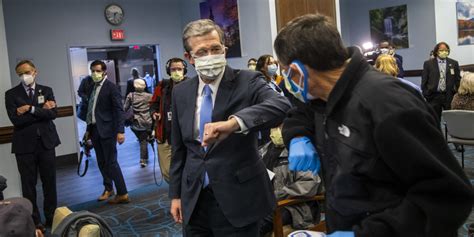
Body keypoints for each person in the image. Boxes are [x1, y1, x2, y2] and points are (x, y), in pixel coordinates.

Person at [274, 14, 473, 236]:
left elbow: (447, 196)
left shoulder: (388, 105)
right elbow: (301, 114)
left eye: (283, 70)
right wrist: (298, 136)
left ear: (296, 71)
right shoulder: (323, 96)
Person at [169, 19, 291, 236]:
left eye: (215, 49)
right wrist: (176, 195)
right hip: (195, 198)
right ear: (189, 58)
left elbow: (280, 105)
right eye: (202, 51)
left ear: (224, 49)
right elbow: (180, 150)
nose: (210, 56)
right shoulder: (181, 92)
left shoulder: (248, 80)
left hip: (239, 197)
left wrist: (235, 123)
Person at [4, 60, 60, 232]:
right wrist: (41, 110)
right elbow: (16, 121)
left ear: (35, 71)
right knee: (28, 185)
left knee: (49, 182)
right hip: (24, 146)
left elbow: (53, 114)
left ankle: (52, 217)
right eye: (20, 73)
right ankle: (35, 221)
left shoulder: (47, 90)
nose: (24, 76)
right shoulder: (11, 94)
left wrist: (30, 108)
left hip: (46, 143)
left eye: (27, 72)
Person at [258, 126, 321, 236]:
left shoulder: (300, 151)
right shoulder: (263, 150)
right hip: (264, 204)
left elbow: (308, 184)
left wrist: (276, 195)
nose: (276, 130)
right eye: (274, 127)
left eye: (280, 126)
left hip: (294, 207)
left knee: (257, 224)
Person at [85, 60, 129, 204]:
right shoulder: (92, 86)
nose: (95, 73)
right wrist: (87, 130)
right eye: (93, 71)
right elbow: (91, 110)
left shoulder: (111, 87)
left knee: (111, 162)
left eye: (98, 71)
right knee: (102, 162)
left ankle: (122, 193)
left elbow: (118, 110)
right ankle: (108, 188)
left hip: (108, 130)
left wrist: (120, 131)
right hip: (95, 129)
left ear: (104, 72)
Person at [149, 57, 188, 182]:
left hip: (185, 136)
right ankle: (178, 192)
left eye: (179, 69)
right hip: (165, 135)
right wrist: (154, 112)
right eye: (173, 69)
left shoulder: (192, 85)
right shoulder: (163, 86)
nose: (176, 72)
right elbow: (153, 104)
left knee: (186, 169)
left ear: (184, 70)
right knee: (167, 172)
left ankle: (185, 197)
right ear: (168, 71)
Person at [421, 42, 461, 120]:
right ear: (436, 51)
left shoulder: (454, 63)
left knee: (451, 120)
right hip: (433, 96)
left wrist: (456, 94)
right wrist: (426, 94)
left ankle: (449, 132)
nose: (444, 52)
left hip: (449, 96)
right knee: (434, 120)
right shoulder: (428, 63)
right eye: (441, 50)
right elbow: (424, 80)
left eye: (446, 50)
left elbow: (457, 80)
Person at [124, 78, 153, 167]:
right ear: (144, 86)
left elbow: (125, 108)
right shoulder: (150, 96)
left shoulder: (130, 95)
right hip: (147, 122)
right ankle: (143, 159)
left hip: (135, 123)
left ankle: (144, 158)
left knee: (142, 140)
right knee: (143, 140)